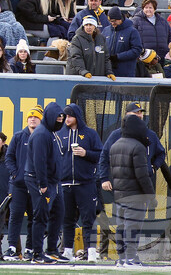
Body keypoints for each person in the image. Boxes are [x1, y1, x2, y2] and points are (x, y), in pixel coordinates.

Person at [56, 104, 102, 261]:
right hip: (65, 184)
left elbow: (100, 155)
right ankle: (67, 251)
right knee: (67, 220)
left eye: (70, 116)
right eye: (65, 116)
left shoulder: (90, 134)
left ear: (77, 116)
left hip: (85, 184)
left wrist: (85, 153)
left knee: (88, 219)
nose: (67, 119)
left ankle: (91, 251)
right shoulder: (59, 134)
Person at [108, 114, 155, 267]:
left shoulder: (115, 146)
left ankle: (121, 259)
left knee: (121, 228)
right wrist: (151, 196)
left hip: (119, 195)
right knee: (132, 228)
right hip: (135, 196)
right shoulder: (138, 147)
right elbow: (142, 175)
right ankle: (130, 258)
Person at [24, 101, 66, 263]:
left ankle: (52, 249)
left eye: (61, 119)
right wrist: (42, 184)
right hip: (41, 181)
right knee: (41, 215)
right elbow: (39, 161)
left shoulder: (51, 133)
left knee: (58, 213)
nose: (59, 122)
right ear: (50, 117)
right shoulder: (42, 134)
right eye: (57, 119)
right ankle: (37, 253)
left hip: (54, 181)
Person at [5, 106, 41, 259]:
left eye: (36, 117)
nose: (32, 119)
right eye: (30, 117)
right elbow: (9, 157)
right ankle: (12, 248)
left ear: (41, 120)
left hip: (35, 186)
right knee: (15, 216)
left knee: (34, 218)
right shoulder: (18, 136)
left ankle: (30, 249)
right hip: (19, 185)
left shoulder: (44, 137)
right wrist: (16, 174)